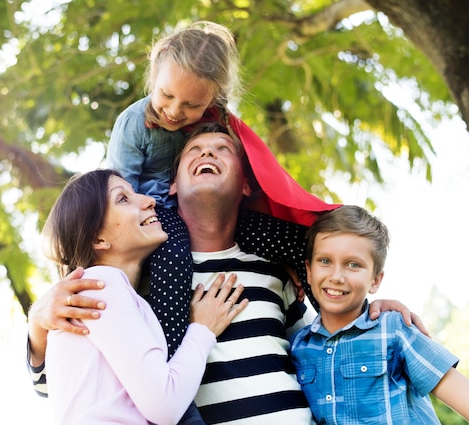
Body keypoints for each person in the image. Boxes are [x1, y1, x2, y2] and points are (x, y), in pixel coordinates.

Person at [27, 124, 424, 423]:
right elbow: (59, 386)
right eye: (194, 150)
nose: (208, 153)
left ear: (247, 184)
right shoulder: (141, 277)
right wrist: (39, 325)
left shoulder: (274, 269)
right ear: (172, 186)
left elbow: (321, 345)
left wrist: (369, 311)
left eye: (223, 149)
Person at [106, 20, 340, 363]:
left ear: (211, 99)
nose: (174, 111)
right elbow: (120, 189)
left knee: (296, 240)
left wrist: (288, 259)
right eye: (167, 95)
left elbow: (254, 177)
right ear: (155, 71)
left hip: (209, 215)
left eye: (190, 105)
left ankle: (342, 325)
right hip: (155, 215)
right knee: (172, 257)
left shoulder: (214, 124)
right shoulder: (133, 124)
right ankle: (166, 362)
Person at [38, 168, 248, 424]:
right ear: (98, 238)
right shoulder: (101, 284)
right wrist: (202, 331)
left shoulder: (109, 292)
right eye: (123, 199)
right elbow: (165, 405)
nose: (150, 201)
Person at [289, 205, 469, 423]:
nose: (336, 276)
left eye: (353, 264)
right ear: (308, 271)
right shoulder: (299, 346)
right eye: (325, 261)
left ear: (375, 280)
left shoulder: (394, 328)